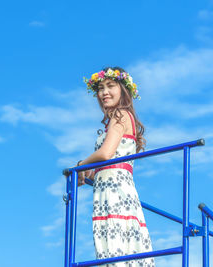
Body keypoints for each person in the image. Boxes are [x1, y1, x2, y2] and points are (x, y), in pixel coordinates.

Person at [75, 67, 155, 267]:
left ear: (123, 91)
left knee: (114, 245)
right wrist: (89, 172)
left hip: (114, 191)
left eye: (110, 86)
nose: (104, 92)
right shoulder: (120, 117)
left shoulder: (120, 114)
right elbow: (110, 160)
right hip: (112, 186)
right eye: (100, 88)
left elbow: (105, 153)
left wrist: (79, 166)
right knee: (118, 245)